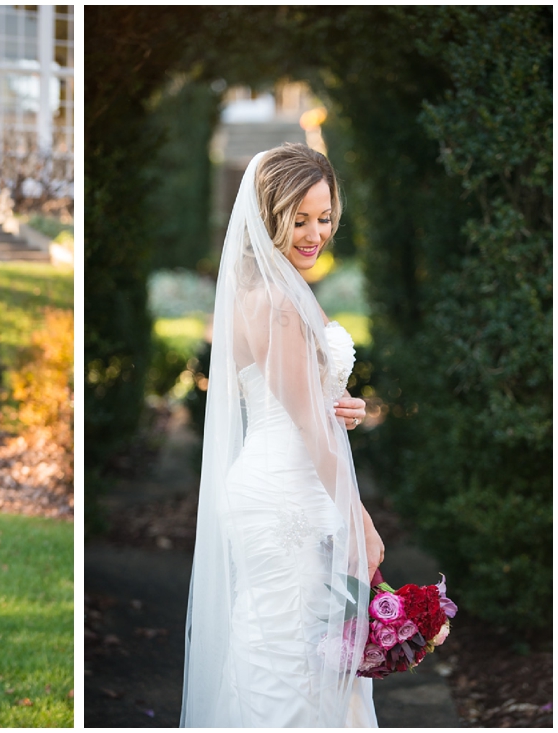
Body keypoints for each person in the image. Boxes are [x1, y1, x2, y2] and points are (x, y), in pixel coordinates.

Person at [180, 143, 385, 727]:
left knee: (290, 647)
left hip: (288, 480)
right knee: (294, 658)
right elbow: (306, 425)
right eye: (299, 220)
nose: (314, 234)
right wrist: (358, 520)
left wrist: (344, 406)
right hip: (287, 496)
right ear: (269, 214)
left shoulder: (274, 287)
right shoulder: (276, 302)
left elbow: (306, 402)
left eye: (324, 218)